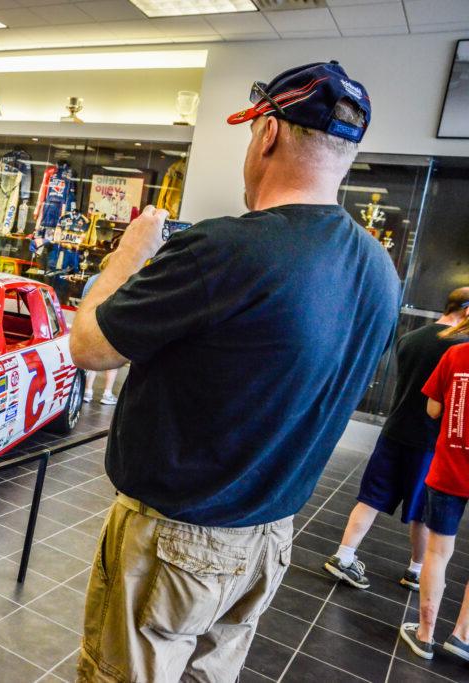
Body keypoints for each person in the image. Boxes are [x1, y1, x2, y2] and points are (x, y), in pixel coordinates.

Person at [70, 61, 399, 682]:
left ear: (267, 134)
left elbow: (90, 347)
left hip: (176, 542)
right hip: (268, 538)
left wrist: (125, 259)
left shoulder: (228, 247)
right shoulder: (379, 270)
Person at [324, 289, 469, 591]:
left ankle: (344, 555)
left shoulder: (410, 339)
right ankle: (416, 571)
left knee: (371, 498)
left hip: (395, 430)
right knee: (421, 513)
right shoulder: (461, 348)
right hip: (430, 442)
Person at [399, 326, 469, 663]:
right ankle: (462, 636)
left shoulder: (456, 354)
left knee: (438, 553)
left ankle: (425, 635)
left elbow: (432, 409)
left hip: (449, 468)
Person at [82, 255, 120, 406]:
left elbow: (84, 300)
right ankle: (107, 393)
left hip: (91, 322)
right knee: (113, 360)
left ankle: (87, 391)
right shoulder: (118, 281)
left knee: (91, 358)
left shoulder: (92, 279)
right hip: (110, 324)